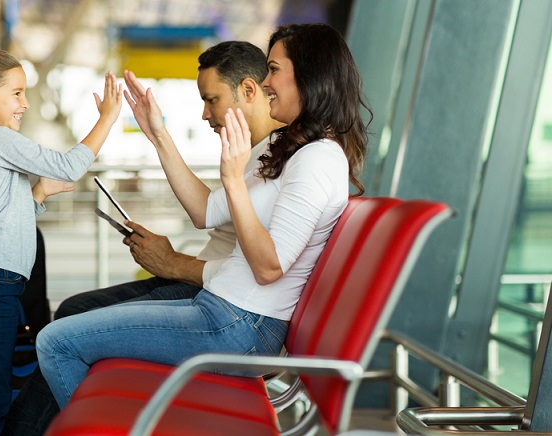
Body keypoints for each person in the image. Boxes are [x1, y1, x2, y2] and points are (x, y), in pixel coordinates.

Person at [35, 21, 370, 411]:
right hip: (226, 310)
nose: (265, 83)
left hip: (240, 325)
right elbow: (206, 211)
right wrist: (158, 134)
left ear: (310, 75)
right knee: (70, 327)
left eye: (274, 70)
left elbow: (268, 267)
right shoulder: (291, 147)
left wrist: (234, 179)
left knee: (55, 342)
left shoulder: (317, 158)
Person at [1, 40, 283, 436]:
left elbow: (260, 266)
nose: (205, 114)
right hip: (204, 286)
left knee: (66, 330)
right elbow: (207, 213)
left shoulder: (277, 159)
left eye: (212, 100)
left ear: (248, 90)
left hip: (213, 297)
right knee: (71, 311)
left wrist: (175, 264)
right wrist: (158, 134)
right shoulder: (255, 155)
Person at [0, 48, 122, 436]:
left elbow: (2, 219)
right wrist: (107, 119)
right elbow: (71, 165)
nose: (25, 102)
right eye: (16, 93)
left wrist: (36, 195)